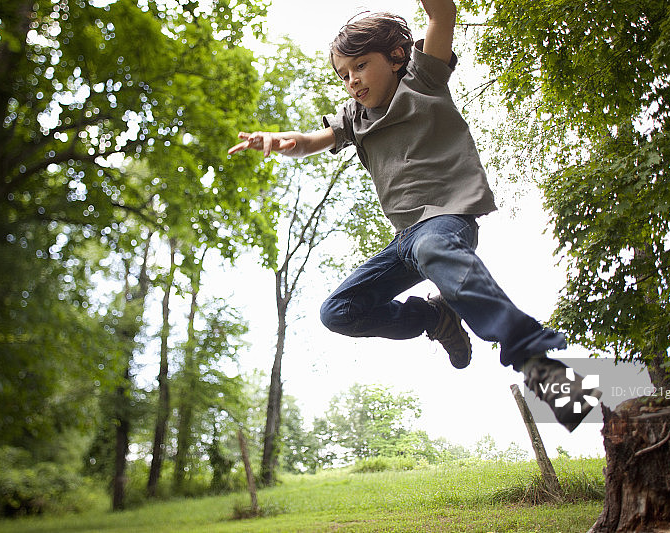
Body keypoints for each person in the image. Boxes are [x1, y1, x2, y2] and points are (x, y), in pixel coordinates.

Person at [228, 0, 600, 431]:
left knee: (432, 245)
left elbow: (442, 15)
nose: (352, 81)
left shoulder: (424, 77)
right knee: (338, 311)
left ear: (396, 57)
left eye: (361, 67)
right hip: (405, 243)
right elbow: (313, 140)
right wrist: (276, 140)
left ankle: (543, 366)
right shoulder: (356, 117)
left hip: (445, 223)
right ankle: (435, 318)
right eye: (344, 75)